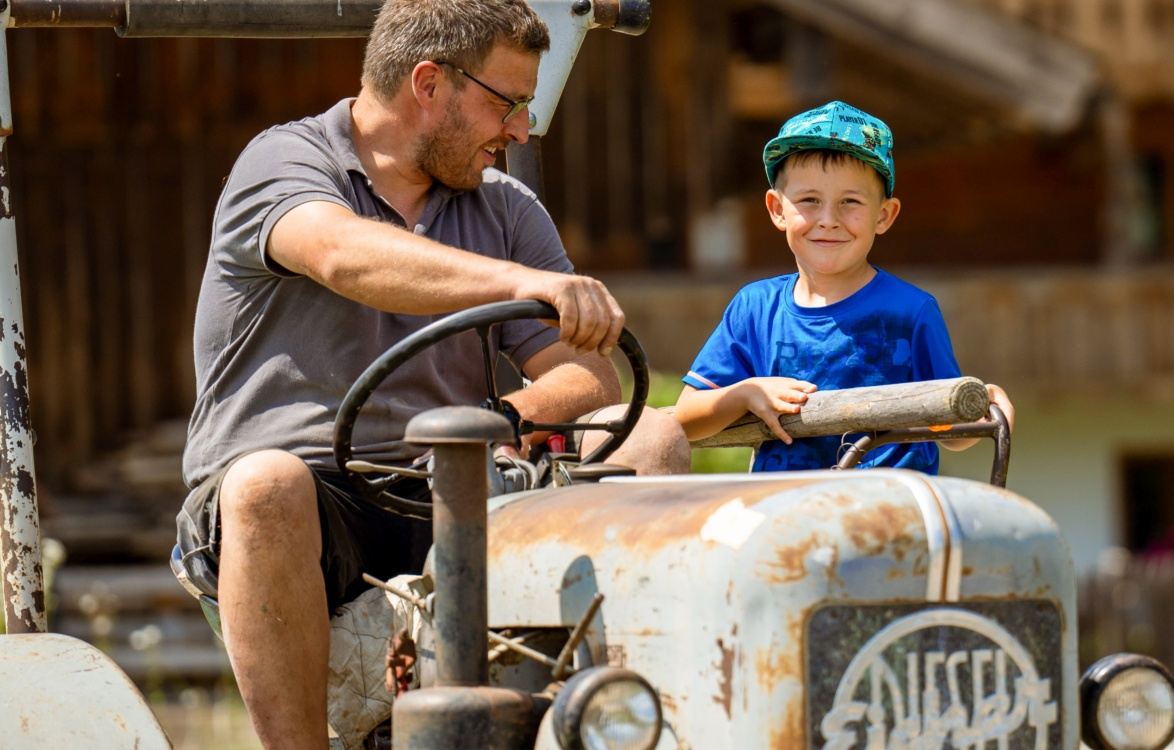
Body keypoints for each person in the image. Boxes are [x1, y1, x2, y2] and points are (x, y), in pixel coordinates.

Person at [173, 0, 688, 746]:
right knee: (265, 484)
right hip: (312, 505)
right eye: (507, 104)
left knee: (648, 437)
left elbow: (589, 376)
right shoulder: (286, 162)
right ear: (428, 83)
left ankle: (626, 724)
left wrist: (503, 422)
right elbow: (343, 256)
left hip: (454, 486)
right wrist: (522, 284)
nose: (520, 130)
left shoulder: (505, 207)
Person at [673, 101, 1012, 473]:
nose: (828, 220)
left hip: (887, 503)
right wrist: (744, 394)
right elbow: (685, 420)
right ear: (777, 210)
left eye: (850, 202)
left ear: (884, 215)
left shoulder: (911, 311)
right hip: (786, 503)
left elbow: (953, 431)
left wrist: (982, 404)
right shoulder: (754, 309)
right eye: (809, 200)